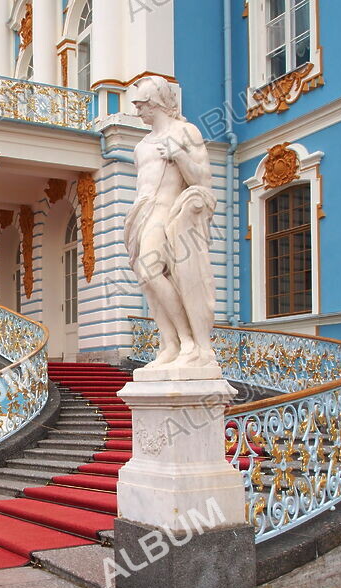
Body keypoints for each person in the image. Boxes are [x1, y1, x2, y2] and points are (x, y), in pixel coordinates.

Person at [126, 76, 219, 372]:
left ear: (155, 103)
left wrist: (178, 155)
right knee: (146, 277)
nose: (138, 112)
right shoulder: (141, 146)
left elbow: (203, 180)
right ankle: (170, 344)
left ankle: (189, 340)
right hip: (140, 214)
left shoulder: (184, 132)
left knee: (151, 269)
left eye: (141, 105)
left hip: (167, 212)